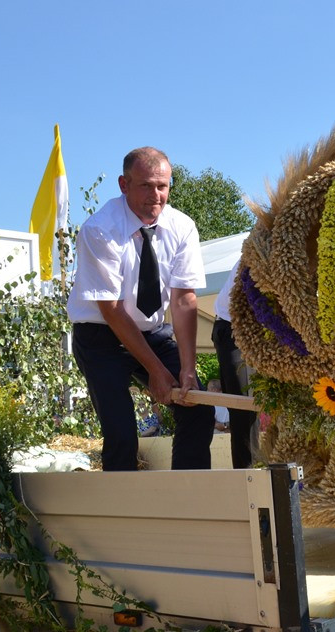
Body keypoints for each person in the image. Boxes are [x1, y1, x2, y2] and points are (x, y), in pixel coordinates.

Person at [67, 147, 214, 471]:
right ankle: (122, 515)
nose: (156, 195)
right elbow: (113, 309)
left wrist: (187, 369)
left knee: (199, 407)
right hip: (101, 336)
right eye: (146, 185)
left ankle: (189, 500)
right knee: (121, 432)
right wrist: (156, 371)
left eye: (162, 186)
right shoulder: (99, 229)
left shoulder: (182, 227)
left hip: (152, 331)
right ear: (123, 184)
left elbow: (183, 299)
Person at [211, 260, 259, 468]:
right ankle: (249, 476)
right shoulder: (263, 249)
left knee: (256, 406)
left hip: (256, 331)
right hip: (233, 329)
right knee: (243, 406)